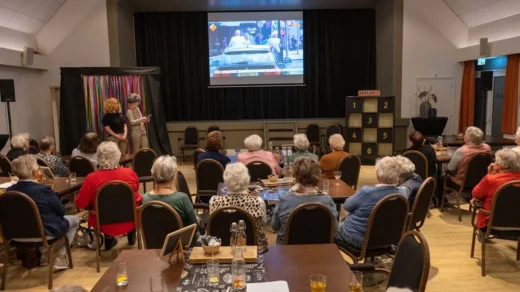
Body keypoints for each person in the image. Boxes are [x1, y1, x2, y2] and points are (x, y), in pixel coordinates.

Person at [7, 155, 79, 270]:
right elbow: (61, 211)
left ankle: (45, 254)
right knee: (75, 220)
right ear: (35, 173)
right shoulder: (44, 190)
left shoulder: (8, 192)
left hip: (15, 236)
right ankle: (60, 255)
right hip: (43, 234)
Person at [75, 142, 141, 250]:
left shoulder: (91, 178)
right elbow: (136, 190)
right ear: (118, 155)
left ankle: (108, 237)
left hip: (102, 222)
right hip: (130, 219)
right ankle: (131, 232)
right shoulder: (129, 173)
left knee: (103, 206)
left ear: (98, 157)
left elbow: (81, 203)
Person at [335, 157, 407, 249]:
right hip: (387, 240)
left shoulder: (367, 192)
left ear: (377, 174)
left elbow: (347, 206)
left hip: (359, 239)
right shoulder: (403, 193)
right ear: (398, 175)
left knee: (331, 228)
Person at [272, 157, 338, 245]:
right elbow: (335, 229)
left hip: (288, 252)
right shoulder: (327, 201)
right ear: (318, 174)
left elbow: (274, 226)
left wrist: (289, 193)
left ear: (295, 175)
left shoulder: (284, 200)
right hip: (321, 252)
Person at [210, 162, 268, 250]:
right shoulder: (258, 201)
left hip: (221, 251)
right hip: (253, 250)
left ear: (226, 180)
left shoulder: (214, 201)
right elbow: (263, 224)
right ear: (247, 179)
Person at [142, 155, 199, 242]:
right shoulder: (182, 198)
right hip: (179, 247)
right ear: (173, 176)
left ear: (153, 174)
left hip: (153, 246)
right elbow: (194, 226)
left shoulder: (145, 198)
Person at [472, 149, 520, 230]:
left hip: (493, 223)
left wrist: (488, 175)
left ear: (499, 165)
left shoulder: (491, 179)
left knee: (475, 200)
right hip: (518, 223)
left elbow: (475, 194)